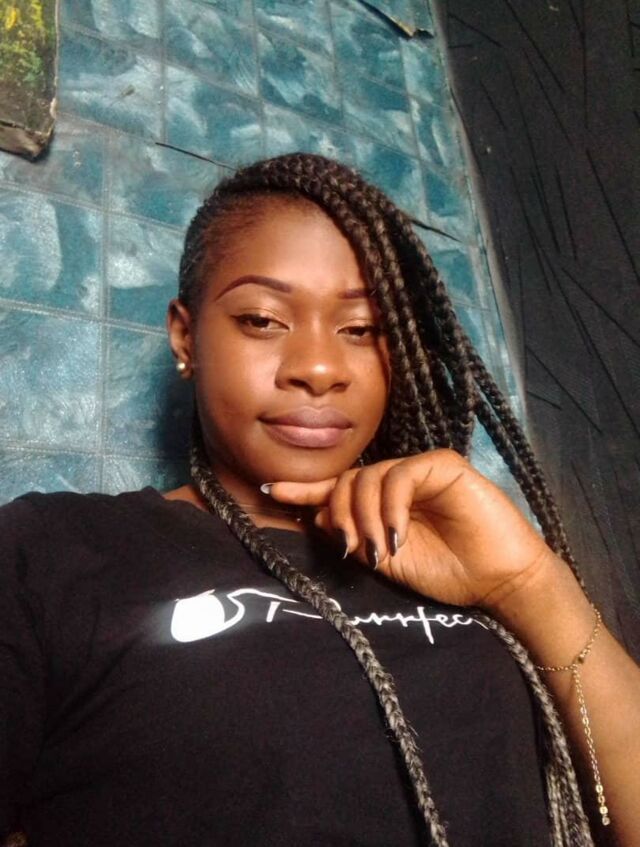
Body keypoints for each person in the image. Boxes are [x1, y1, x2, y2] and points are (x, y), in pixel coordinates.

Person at [1, 153, 639, 847]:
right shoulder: (51, 555)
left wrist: (527, 583)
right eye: (262, 319)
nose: (319, 368)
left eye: (361, 329)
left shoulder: (460, 559)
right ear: (186, 337)